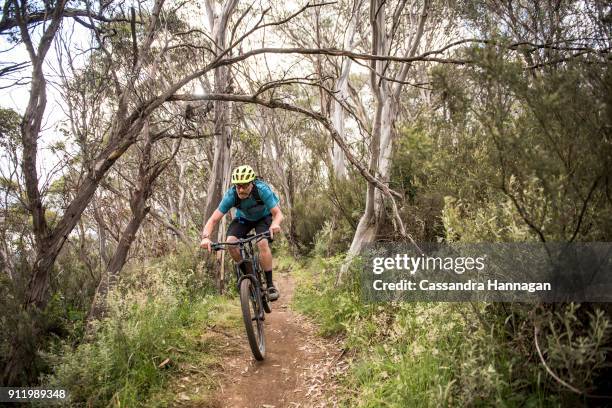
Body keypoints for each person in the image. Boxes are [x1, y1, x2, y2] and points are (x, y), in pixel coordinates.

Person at [200, 165, 283, 300]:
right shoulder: (231, 195)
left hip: (263, 218)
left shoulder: (261, 190)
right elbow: (213, 220)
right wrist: (205, 237)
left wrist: (275, 224)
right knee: (231, 243)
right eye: (238, 186)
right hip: (243, 219)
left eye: (244, 186)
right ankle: (250, 277)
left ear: (252, 183)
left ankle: (269, 285)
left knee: (262, 242)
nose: (241, 189)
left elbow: (278, 214)